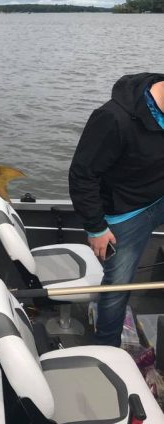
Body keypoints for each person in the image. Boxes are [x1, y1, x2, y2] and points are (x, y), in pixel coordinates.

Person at [69, 72, 164, 347]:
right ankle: (107, 347)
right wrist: (96, 228)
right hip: (125, 213)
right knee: (118, 285)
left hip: (159, 196)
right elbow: (82, 175)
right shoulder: (113, 118)